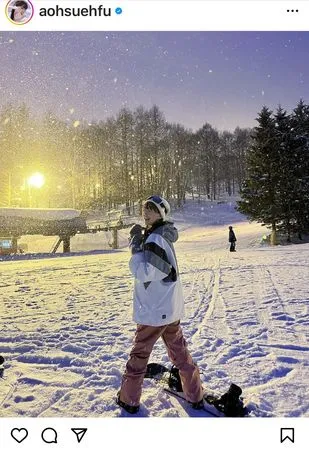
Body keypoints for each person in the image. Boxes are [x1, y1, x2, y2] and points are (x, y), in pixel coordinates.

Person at [117, 195, 204, 414]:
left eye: (152, 209)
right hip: (168, 309)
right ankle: (195, 394)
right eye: (144, 208)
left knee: (139, 356)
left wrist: (135, 247)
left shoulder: (155, 239)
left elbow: (149, 272)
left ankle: (128, 399)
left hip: (154, 311)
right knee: (180, 353)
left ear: (161, 214)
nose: (146, 213)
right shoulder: (160, 235)